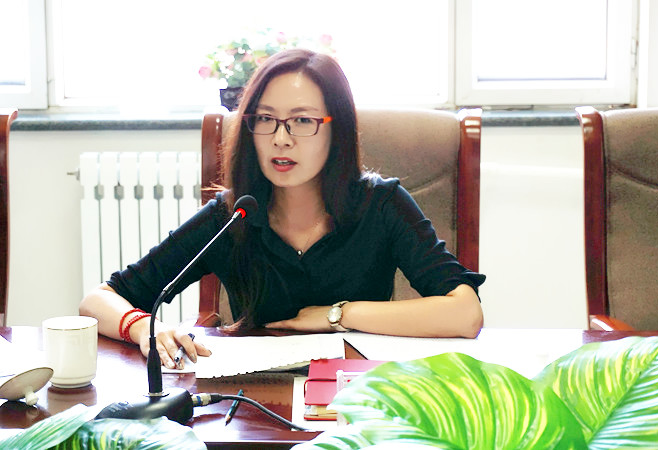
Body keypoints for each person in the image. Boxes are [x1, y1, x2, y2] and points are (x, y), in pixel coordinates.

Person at [79, 48, 486, 370]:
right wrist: (143, 328)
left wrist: (337, 315)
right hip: (253, 400)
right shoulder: (233, 215)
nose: (281, 138)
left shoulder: (381, 205)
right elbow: (99, 300)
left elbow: (465, 313)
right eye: (265, 119)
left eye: (302, 121)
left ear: (337, 130)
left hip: (355, 396)